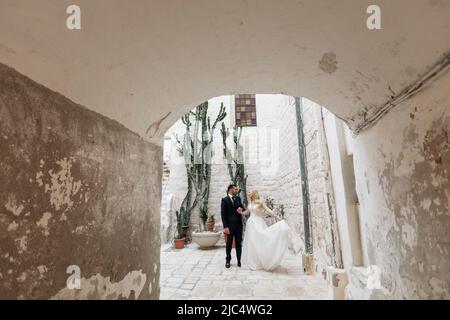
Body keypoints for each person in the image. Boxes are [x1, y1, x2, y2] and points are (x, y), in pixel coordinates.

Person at [238, 190, 291, 271]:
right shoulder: (250, 202)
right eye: (248, 192)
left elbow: (268, 210)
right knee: (252, 243)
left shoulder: (260, 202)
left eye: (250, 192)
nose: (248, 193)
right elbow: (247, 212)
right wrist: (241, 212)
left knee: (261, 240)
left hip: (257, 223)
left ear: (254, 193)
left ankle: (265, 260)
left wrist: (277, 217)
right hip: (251, 224)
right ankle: (254, 262)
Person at [221, 184, 245, 268]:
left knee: (239, 243)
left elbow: (243, 209)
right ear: (231, 189)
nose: (237, 190)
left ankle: (239, 260)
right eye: (235, 189)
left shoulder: (238, 198)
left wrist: (241, 209)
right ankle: (228, 260)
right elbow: (223, 215)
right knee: (229, 244)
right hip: (229, 226)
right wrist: (225, 227)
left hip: (238, 226)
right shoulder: (224, 200)